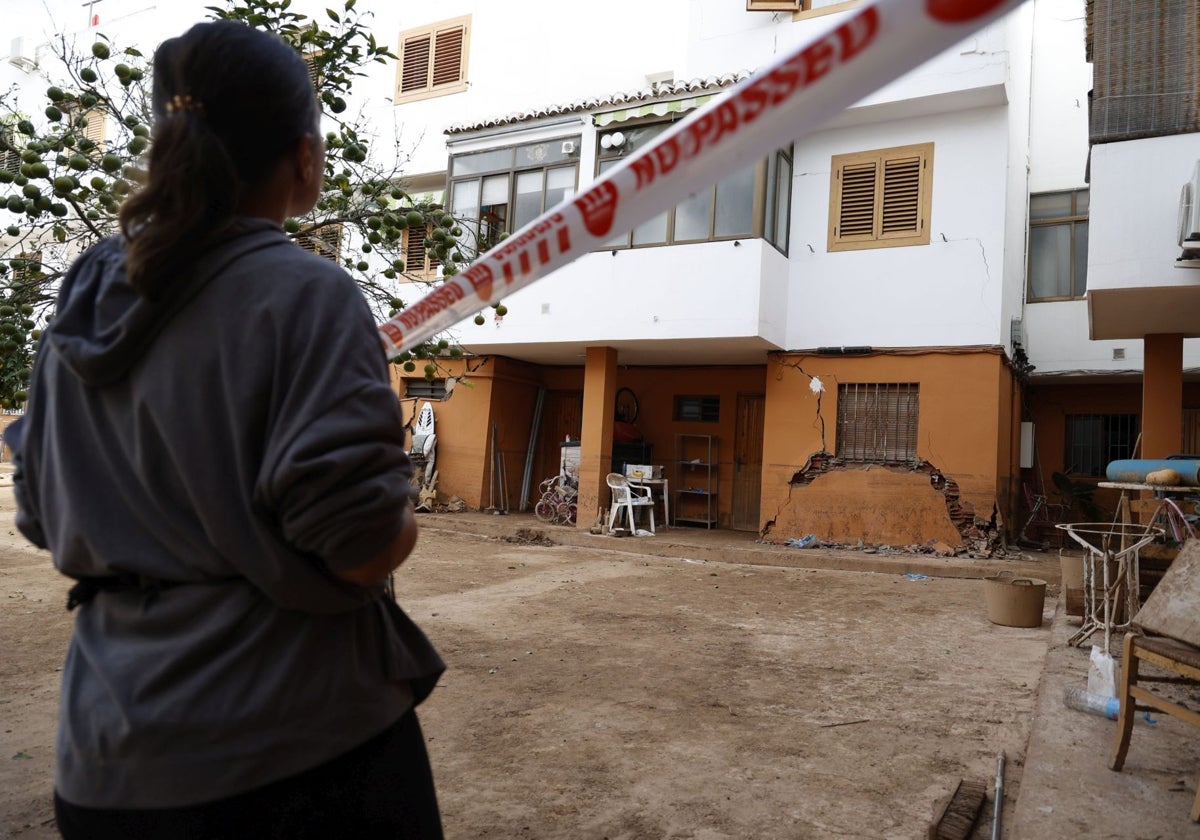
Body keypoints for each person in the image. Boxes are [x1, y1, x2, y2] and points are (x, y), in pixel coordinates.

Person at [3, 19, 445, 839]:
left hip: (106, 763)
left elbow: (38, 509)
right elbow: (359, 549)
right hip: (294, 757)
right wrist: (397, 491)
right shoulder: (308, 296)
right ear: (306, 160)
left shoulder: (86, 299)